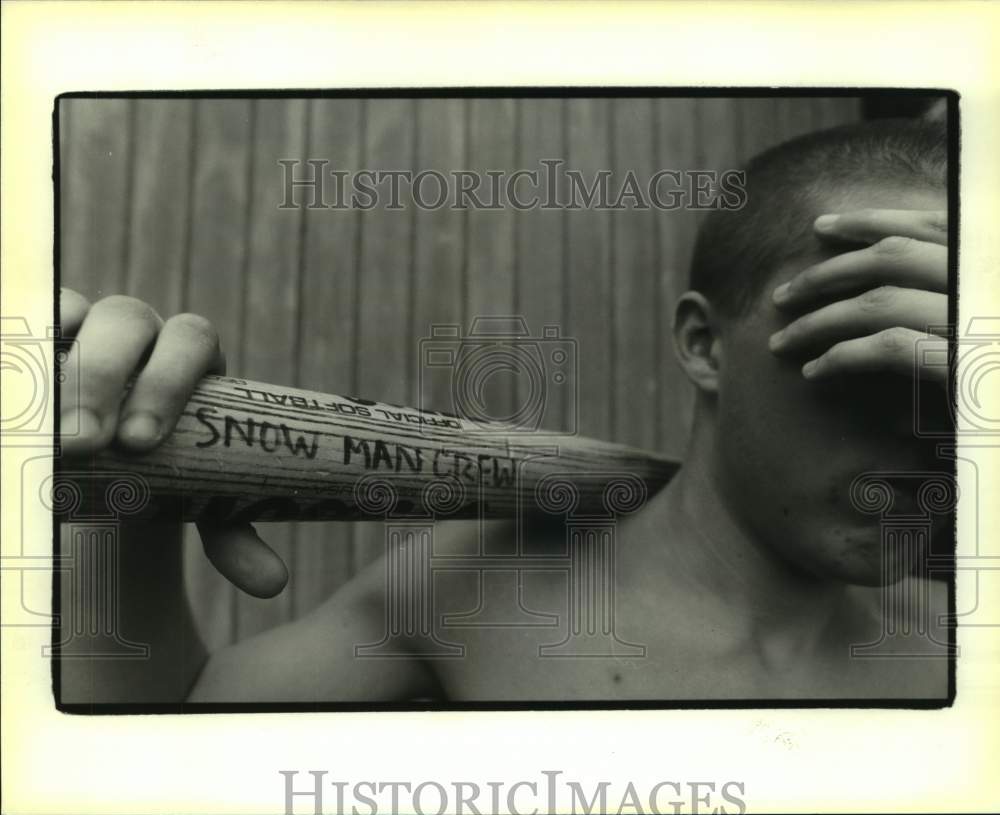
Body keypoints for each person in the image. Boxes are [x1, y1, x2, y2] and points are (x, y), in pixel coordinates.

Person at [58, 117, 952, 703]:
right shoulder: (478, 594)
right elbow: (165, 733)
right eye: (870, 358)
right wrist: (127, 483)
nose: (932, 434)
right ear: (703, 343)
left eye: (956, 379)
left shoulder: (961, 652)